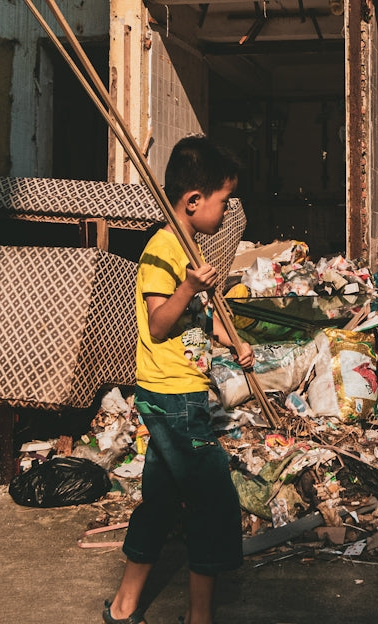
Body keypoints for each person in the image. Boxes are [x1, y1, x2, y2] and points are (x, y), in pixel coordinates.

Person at [103, 135, 253, 624]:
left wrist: (233, 343)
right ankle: (199, 618)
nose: (226, 211)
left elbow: (193, 320)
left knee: (161, 503)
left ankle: (123, 608)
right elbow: (159, 322)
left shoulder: (186, 245)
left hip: (181, 392)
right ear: (193, 200)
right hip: (171, 398)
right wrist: (190, 283)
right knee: (214, 504)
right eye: (222, 201)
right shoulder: (162, 249)